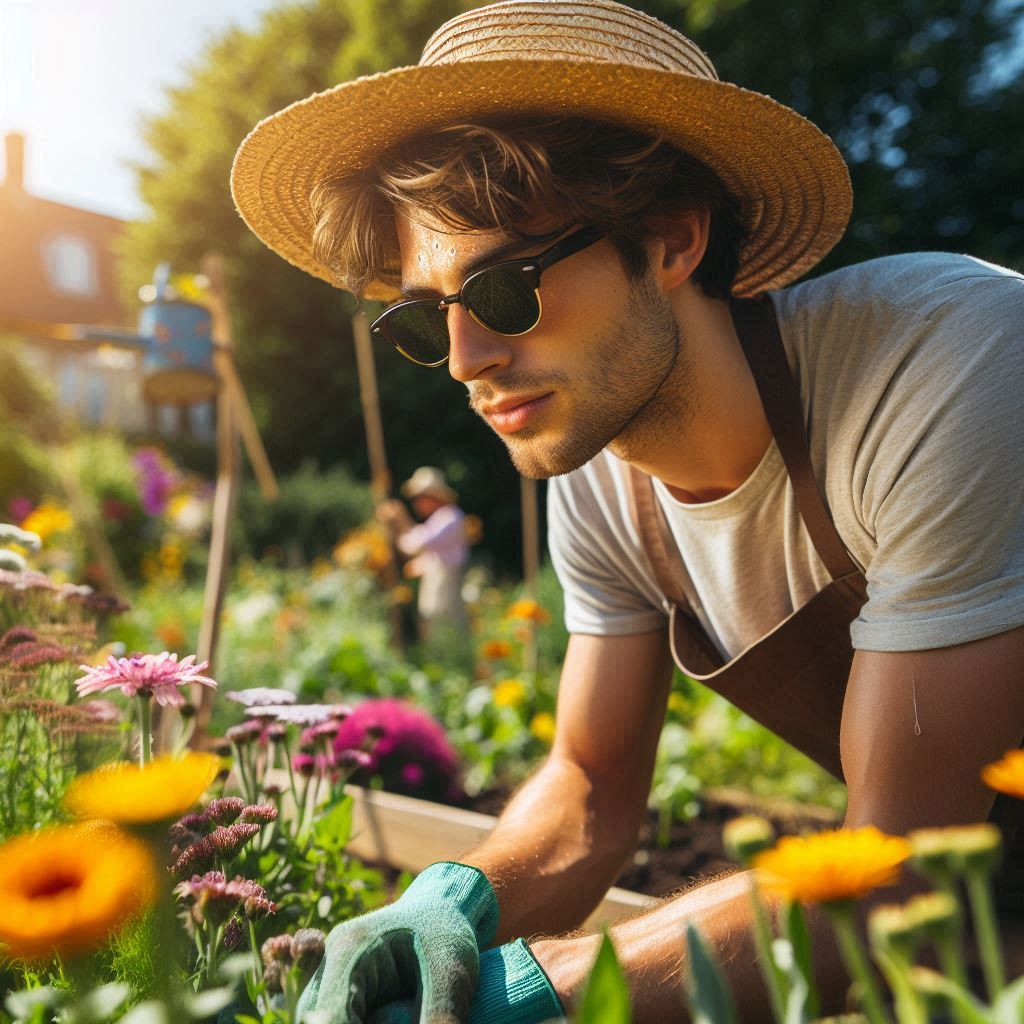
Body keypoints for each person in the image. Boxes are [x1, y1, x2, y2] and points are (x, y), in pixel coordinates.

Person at [231, 0, 1024, 1019]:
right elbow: (590, 790)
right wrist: (451, 901)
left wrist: (552, 989)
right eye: (425, 322)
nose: (467, 361)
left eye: (505, 289)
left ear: (672, 238)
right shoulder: (599, 484)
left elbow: (895, 866)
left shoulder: (949, 360)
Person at [377, 466, 468, 640]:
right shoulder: (440, 518)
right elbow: (415, 547)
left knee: (442, 628)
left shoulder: (450, 517)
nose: (417, 503)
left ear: (433, 496)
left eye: (419, 498)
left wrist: (400, 519)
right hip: (437, 581)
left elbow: (417, 544)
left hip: (445, 584)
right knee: (433, 627)